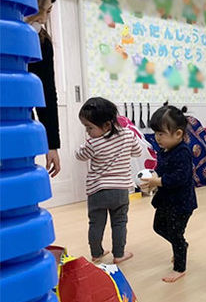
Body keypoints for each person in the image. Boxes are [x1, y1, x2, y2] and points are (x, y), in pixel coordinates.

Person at [75, 97, 142, 264]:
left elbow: (79, 156)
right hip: (120, 191)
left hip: (97, 191)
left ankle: (96, 253)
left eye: (89, 127)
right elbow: (138, 151)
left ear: (106, 125)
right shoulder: (128, 134)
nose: (87, 131)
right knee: (119, 223)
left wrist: (87, 144)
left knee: (96, 224)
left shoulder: (93, 143)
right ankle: (119, 254)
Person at [140, 105, 197, 283]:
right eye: (156, 133)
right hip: (166, 200)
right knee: (159, 227)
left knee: (175, 233)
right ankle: (180, 245)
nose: (157, 138)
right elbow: (160, 170)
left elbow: (180, 177)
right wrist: (152, 182)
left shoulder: (183, 152)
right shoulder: (165, 150)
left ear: (178, 134)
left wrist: (158, 181)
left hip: (181, 203)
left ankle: (179, 267)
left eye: (161, 134)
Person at [26, 0, 61, 177]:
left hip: (18, 122)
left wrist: (52, 144)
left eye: (48, 12)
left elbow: (47, 93)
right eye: (39, 11)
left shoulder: (41, 42)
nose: (43, 19)